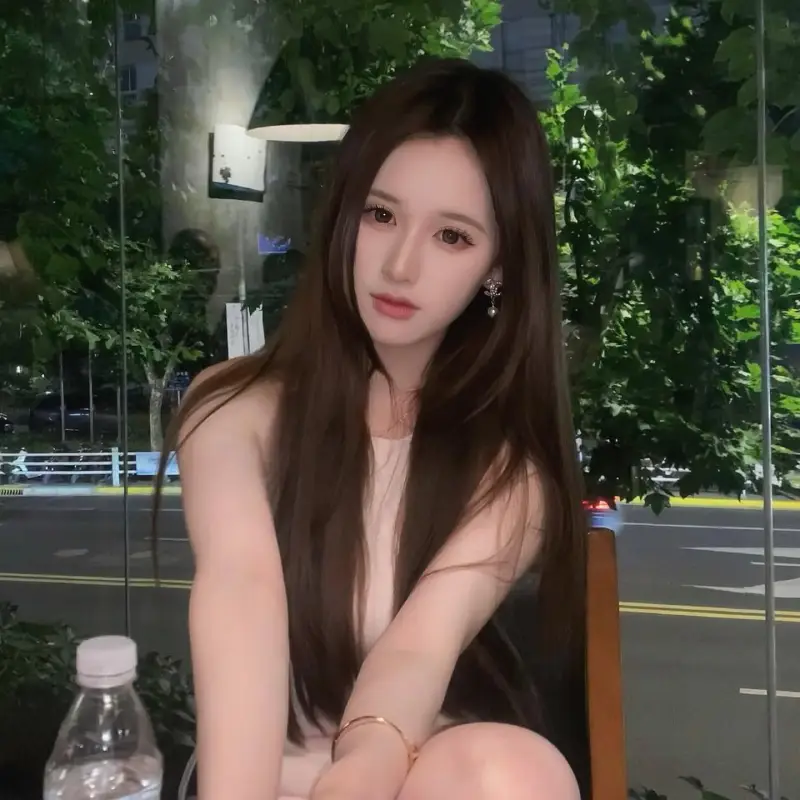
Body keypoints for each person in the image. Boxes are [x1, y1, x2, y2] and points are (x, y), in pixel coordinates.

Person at [157, 57, 587, 800]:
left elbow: (421, 648)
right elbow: (241, 592)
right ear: (345, 216)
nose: (400, 266)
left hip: (419, 767)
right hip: (258, 773)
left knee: (515, 772)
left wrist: (360, 775)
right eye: (381, 216)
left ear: (498, 267)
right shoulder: (233, 407)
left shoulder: (510, 471)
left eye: (452, 236)